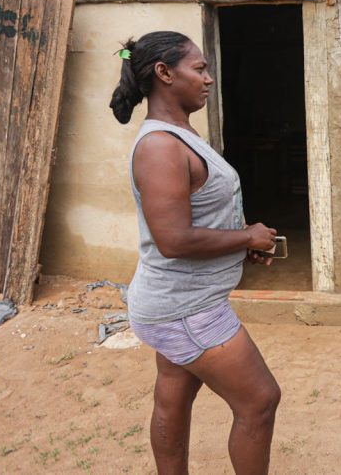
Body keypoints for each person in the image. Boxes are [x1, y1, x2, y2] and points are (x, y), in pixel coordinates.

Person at [109, 31, 282, 474]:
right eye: (200, 69)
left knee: (173, 394)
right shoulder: (161, 146)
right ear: (165, 73)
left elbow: (194, 220)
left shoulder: (180, 134)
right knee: (260, 401)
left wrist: (238, 240)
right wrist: (245, 239)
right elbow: (174, 239)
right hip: (185, 307)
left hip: (179, 302)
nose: (208, 79)